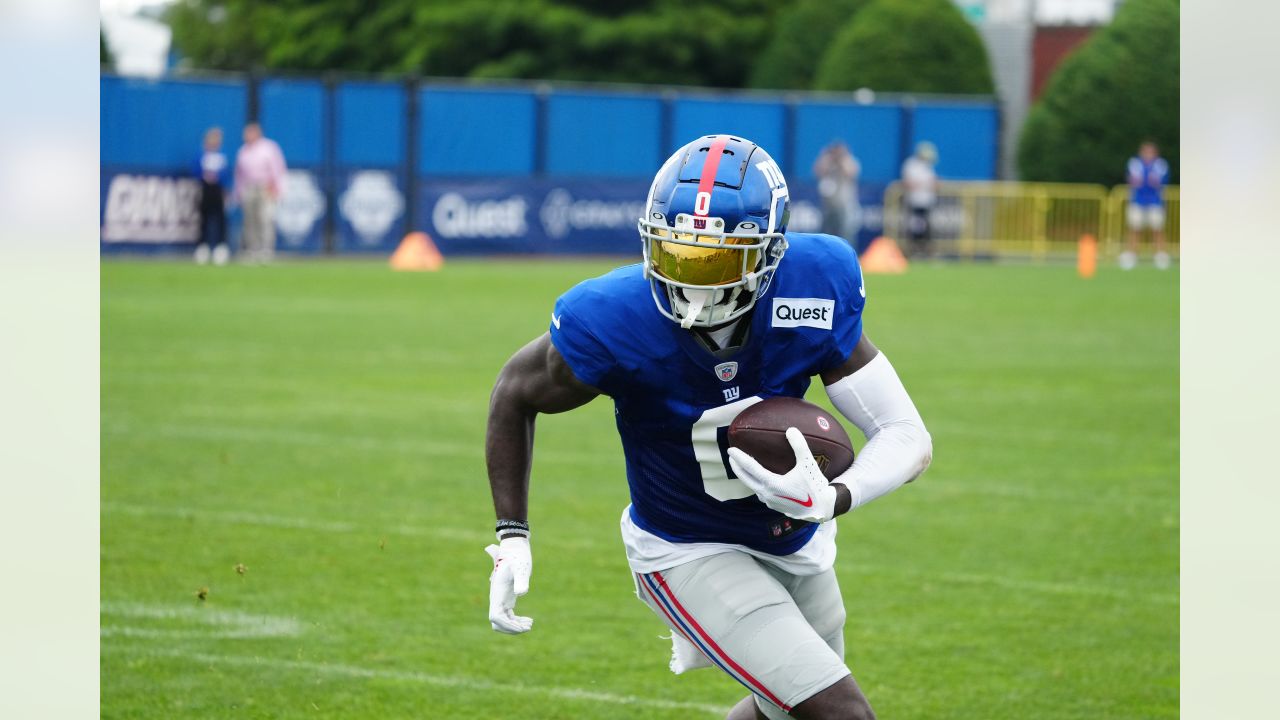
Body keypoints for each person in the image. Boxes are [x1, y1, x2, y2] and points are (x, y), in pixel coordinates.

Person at [484, 135, 933, 720]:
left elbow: (906, 434)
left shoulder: (814, 282)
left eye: (716, 260)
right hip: (684, 548)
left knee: (785, 713)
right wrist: (513, 534)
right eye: (676, 254)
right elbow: (513, 395)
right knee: (843, 714)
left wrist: (833, 497)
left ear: (769, 255)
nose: (692, 278)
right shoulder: (616, 316)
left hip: (796, 541)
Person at [233, 122, 287, 263]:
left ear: (257, 133)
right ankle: (252, 250)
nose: (247, 136)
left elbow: (278, 168)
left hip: (265, 187)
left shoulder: (269, 148)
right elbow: (239, 175)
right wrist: (238, 192)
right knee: (250, 221)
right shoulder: (243, 151)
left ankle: (266, 250)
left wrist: (278, 188)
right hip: (249, 188)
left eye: (250, 133)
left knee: (265, 219)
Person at [1121, 141, 1171, 270]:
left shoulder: (1160, 164)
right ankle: (1132, 255)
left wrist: (1152, 181)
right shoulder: (1135, 163)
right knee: (1134, 228)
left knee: (1157, 229)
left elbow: (1162, 181)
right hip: (1138, 201)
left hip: (1155, 201)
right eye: (1145, 151)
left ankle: (1160, 255)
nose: (1147, 154)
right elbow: (1132, 180)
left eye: (1150, 151)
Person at [813, 140, 862, 246]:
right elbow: (818, 171)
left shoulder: (849, 161)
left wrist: (842, 159)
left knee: (846, 235)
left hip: (845, 207)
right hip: (828, 207)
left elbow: (850, 172)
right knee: (826, 234)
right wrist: (827, 158)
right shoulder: (827, 162)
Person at [193, 127, 230, 266]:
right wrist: (205, 176)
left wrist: (220, 180)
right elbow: (195, 169)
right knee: (204, 218)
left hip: (218, 190)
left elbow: (226, 174)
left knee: (220, 218)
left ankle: (221, 248)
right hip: (205, 189)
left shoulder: (222, 155)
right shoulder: (201, 154)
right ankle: (203, 247)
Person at [900, 141, 939, 258]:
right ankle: (913, 252)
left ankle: (926, 252)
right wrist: (923, 184)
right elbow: (908, 183)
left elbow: (934, 183)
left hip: (927, 202)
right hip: (915, 202)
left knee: (927, 230)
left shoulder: (928, 166)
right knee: (915, 229)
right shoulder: (911, 165)